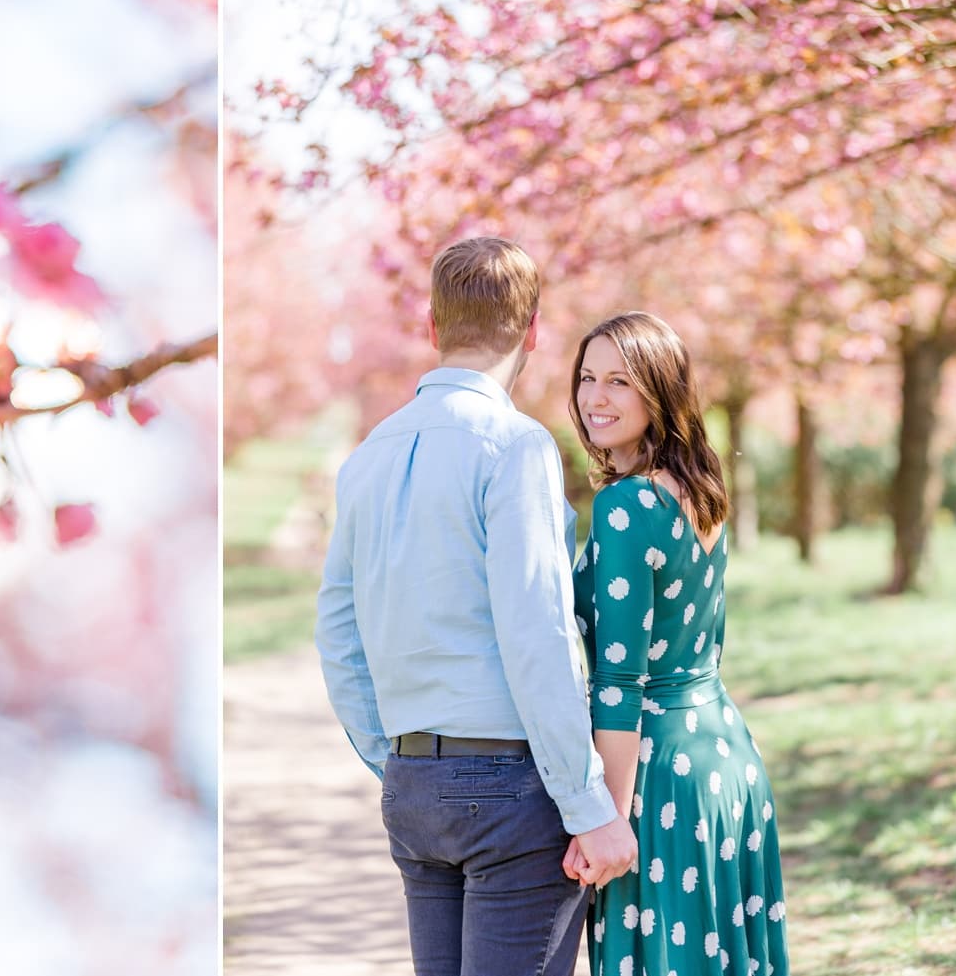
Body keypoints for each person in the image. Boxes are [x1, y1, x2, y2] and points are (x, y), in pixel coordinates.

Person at [316, 237, 638, 976]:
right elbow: (538, 630)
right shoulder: (515, 447)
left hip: (414, 785)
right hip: (508, 789)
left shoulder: (366, 457)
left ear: (433, 328)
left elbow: (336, 631)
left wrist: (391, 753)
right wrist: (590, 807)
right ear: (532, 332)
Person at [565, 311, 789, 976]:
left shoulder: (627, 506)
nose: (595, 397)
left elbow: (620, 681)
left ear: (658, 393)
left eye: (619, 382)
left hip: (661, 775)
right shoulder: (698, 487)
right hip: (725, 756)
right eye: (586, 378)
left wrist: (605, 815)